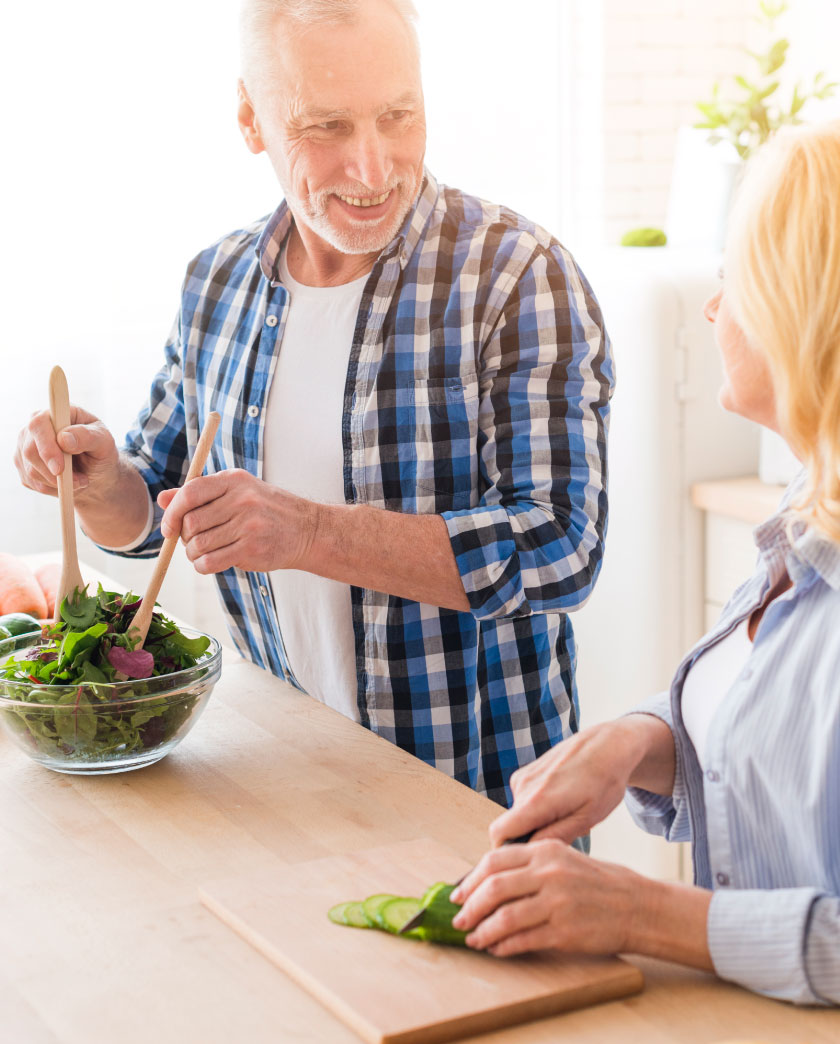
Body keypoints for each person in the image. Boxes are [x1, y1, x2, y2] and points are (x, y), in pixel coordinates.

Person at [449, 117, 840, 1042]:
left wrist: (641, 914)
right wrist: (637, 738)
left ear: (816, 308)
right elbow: (796, 724)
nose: (713, 308)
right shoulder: (838, 497)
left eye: (736, 278)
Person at [12, 0, 612, 806]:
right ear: (251, 120)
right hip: (287, 785)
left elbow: (561, 549)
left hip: (480, 799)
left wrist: (309, 532)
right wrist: (98, 482)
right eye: (325, 128)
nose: (373, 168)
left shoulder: (515, 274)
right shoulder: (216, 283)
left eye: (398, 115)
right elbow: (154, 515)